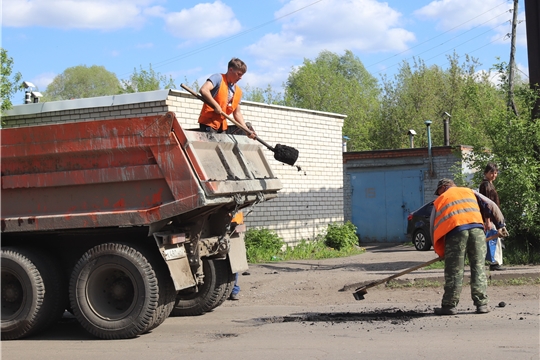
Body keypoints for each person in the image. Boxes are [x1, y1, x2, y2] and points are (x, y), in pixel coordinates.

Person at [430, 178, 506, 315]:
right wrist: (501, 225)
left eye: (439, 191)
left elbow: (433, 227)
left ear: (444, 187)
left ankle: (449, 306)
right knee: (478, 267)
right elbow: (491, 204)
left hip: (455, 233)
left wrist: (438, 249)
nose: (438, 194)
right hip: (477, 231)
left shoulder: (441, 199)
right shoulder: (470, 191)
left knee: (454, 270)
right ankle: (482, 304)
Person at [198, 58, 255, 138]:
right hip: (209, 123)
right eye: (239, 74)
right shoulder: (218, 78)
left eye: (242, 75)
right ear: (230, 70)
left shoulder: (238, 91)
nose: (240, 77)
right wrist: (216, 106)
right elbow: (204, 90)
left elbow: (237, 113)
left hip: (222, 126)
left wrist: (246, 130)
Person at [479, 162, 505, 271]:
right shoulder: (485, 186)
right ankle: (494, 263)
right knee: (494, 239)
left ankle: (495, 262)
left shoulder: (489, 184)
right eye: (491, 173)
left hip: (494, 218)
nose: (494, 175)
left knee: (496, 239)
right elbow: (486, 205)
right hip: (490, 218)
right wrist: (487, 220)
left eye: (495, 173)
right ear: (486, 173)